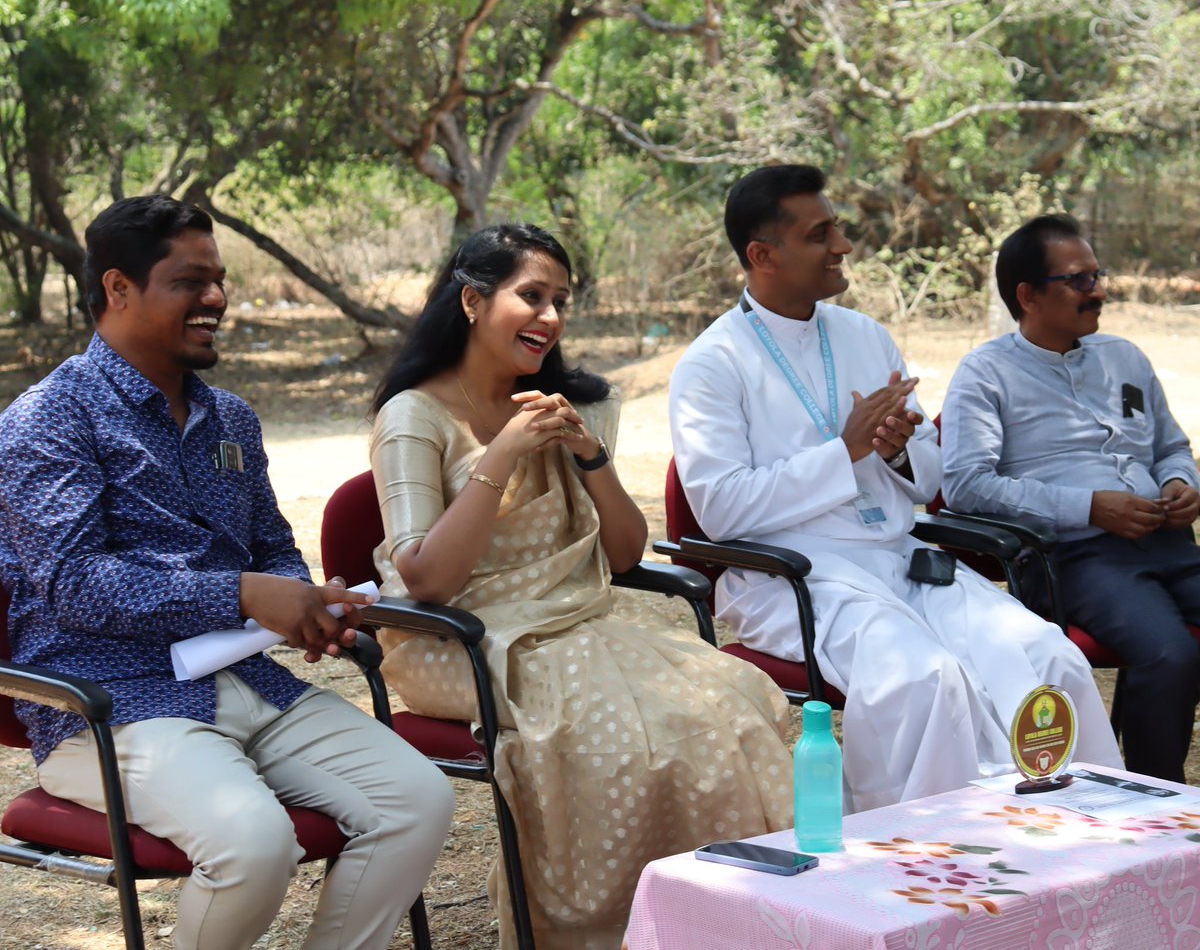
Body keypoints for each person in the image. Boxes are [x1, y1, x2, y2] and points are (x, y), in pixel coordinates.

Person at [0, 196, 454, 950]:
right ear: (118, 289)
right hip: (110, 703)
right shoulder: (50, 418)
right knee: (254, 842)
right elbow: (73, 582)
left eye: (219, 279)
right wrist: (243, 592)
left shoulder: (230, 420)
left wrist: (306, 600)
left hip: (251, 682)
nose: (216, 298)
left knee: (418, 798)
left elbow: (272, 546)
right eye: (190, 281)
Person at [369, 223, 792, 950]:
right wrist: (499, 455)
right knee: (627, 741)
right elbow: (428, 579)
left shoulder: (568, 404)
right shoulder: (414, 415)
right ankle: (596, 931)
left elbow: (625, 552)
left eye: (561, 300)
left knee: (738, 703)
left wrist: (589, 455)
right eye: (531, 296)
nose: (551, 318)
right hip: (464, 638)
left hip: (575, 619)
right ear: (471, 300)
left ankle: (723, 922)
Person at [669, 165, 1121, 813]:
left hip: (900, 556)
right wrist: (845, 450)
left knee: (1048, 658)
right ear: (762, 255)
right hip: (793, 574)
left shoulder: (863, 334)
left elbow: (931, 479)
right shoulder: (712, 364)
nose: (843, 245)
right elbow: (718, 511)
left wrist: (900, 448)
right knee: (925, 679)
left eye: (838, 228)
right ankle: (928, 864)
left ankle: (1074, 848)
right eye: (821, 233)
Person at [942, 212, 1200, 783]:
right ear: (1028, 295)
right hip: (1073, 557)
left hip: (1168, 540)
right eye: (1079, 281)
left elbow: (1172, 447)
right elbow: (965, 485)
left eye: (1097, 275)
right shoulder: (986, 375)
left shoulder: (1124, 357)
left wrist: (1184, 484)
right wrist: (1088, 507)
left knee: (1175, 653)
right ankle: (1157, 803)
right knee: (1170, 655)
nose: (1098, 292)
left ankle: (1149, 790)